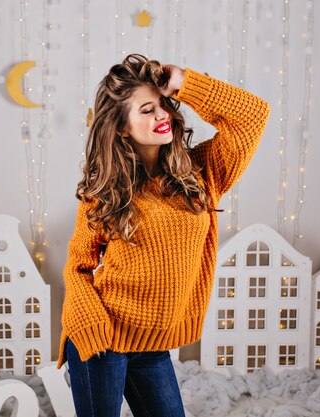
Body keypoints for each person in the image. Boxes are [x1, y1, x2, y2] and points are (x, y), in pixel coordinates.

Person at [57, 54, 270, 417]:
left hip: (152, 348)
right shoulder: (106, 190)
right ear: (122, 128)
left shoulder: (200, 174)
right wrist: (90, 324)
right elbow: (79, 265)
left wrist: (186, 83)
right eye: (146, 110)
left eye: (163, 106)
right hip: (102, 342)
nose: (162, 116)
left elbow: (253, 115)